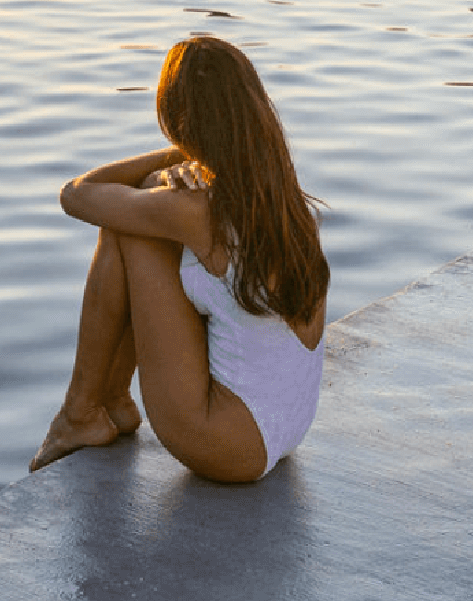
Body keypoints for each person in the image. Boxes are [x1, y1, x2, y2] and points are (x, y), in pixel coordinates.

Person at [28, 35, 328, 482]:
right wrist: (194, 159)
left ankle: (82, 410)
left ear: (183, 120)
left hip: (228, 444)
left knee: (126, 221)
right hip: (287, 428)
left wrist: (181, 152)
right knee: (145, 206)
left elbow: (76, 195)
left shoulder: (200, 211)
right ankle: (109, 402)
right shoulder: (288, 204)